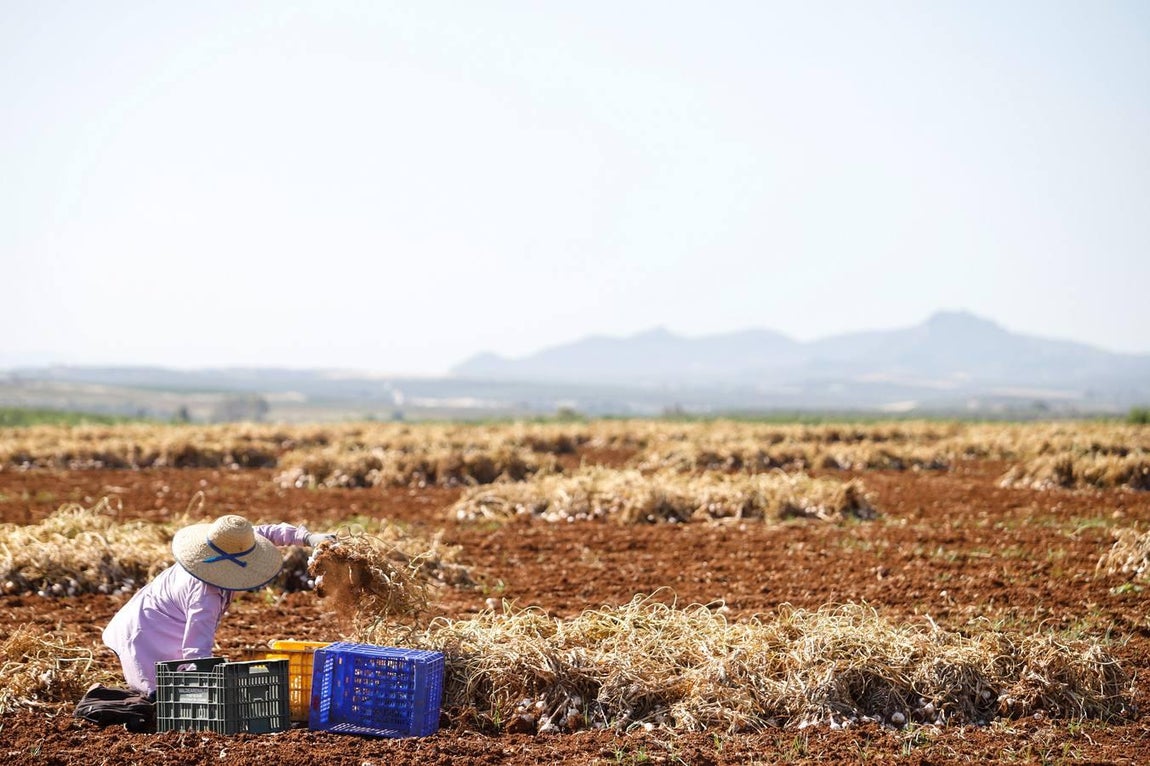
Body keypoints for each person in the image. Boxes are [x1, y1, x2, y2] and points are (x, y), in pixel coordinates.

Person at [102, 514, 333, 697]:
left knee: (172, 687)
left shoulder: (233, 542)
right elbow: (195, 650)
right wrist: (207, 689)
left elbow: (268, 532)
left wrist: (308, 538)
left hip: (155, 617)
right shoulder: (206, 596)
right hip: (145, 632)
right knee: (160, 697)